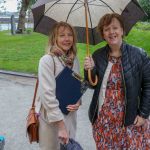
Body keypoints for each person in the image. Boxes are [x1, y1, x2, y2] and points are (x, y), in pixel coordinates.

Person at [84, 13, 150, 149]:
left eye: (115, 28)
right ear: (102, 34)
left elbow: (148, 86)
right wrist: (89, 70)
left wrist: (143, 114)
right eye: (106, 29)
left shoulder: (139, 55)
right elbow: (91, 84)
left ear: (122, 30)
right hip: (104, 119)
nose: (111, 32)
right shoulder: (98, 55)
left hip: (131, 119)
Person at [37, 21, 81, 150]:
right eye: (62, 35)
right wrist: (61, 126)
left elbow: (76, 86)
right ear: (54, 38)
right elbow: (47, 96)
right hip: (52, 120)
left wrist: (78, 101)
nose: (67, 39)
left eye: (70, 35)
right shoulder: (47, 60)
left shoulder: (74, 59)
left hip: (70, 117)